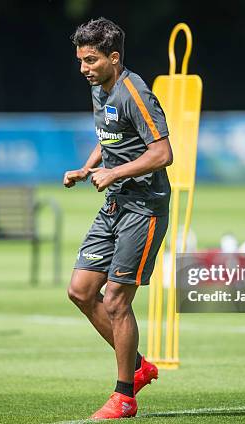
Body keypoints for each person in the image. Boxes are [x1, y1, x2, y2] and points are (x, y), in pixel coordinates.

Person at [64, 18, 173, 419]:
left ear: (114, 57)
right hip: (116, 202)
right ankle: (139, 365)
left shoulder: (134, 91)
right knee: (80, 290)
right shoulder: (99, 88)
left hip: (143, 208)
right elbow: (109, 137)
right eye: (80, 60)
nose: (83, 68)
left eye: (90, 60)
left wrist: (114, 172)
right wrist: (87, 167)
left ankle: (125, 395)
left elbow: (162, 153)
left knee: (115, 299)